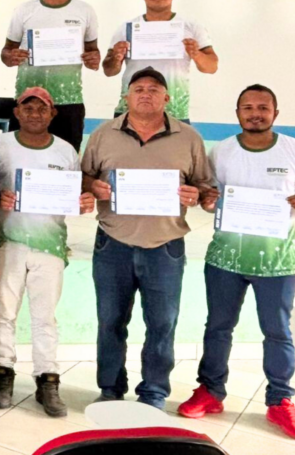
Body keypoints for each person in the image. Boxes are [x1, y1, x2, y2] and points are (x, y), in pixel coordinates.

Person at [177, 85, 295, 440]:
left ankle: (280, 401)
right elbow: (210, 199)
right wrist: (208, 201)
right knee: (218, 327)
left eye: (263, 107)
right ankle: (210, 391)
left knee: (277, 332)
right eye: (248, 107)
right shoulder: (222, 151)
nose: (255, 113)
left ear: (275, 113)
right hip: (225, 258)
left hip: (277, 262)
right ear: (237, 113)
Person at [81, 67, 212, 409]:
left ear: (167, 97)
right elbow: (84, 177)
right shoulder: (103, 134)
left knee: (162, 324)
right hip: (113, 242)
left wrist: (196, 194)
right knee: (110, 321)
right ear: (126, 96)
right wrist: (93, 186)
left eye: (154, 89)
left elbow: (204, 186)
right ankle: (110, 388)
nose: (145, 94)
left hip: (164, 246)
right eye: (138, 88)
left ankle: (153, 391)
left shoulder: (188, 138)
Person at [0, 87, 96, 418]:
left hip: (50, 246)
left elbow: (75, 193)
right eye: (28, 108)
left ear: (52, 114)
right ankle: (2, 374)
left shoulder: (65, 151)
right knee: (4, 312)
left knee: (45, 316)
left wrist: (82, 202)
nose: (34, 114)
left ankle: (47, 379)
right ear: (16, 112)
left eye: (42, 108)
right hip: (7, 242)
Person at [0, 0, 100, 151]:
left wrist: (94, 59)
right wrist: (11, 57)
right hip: (29, 101)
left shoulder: (85, 11)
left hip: (69, 102)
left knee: (67, 159)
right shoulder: (24, 10)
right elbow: (6, 53)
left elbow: (93, 53)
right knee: (22, 157)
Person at [102, 0, 218, 122]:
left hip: (175, 112)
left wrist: (196, 54)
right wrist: (116, 58)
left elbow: (211, 67)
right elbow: (109, 71)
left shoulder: (191, 27)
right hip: (130, 113)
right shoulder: (127, 28)